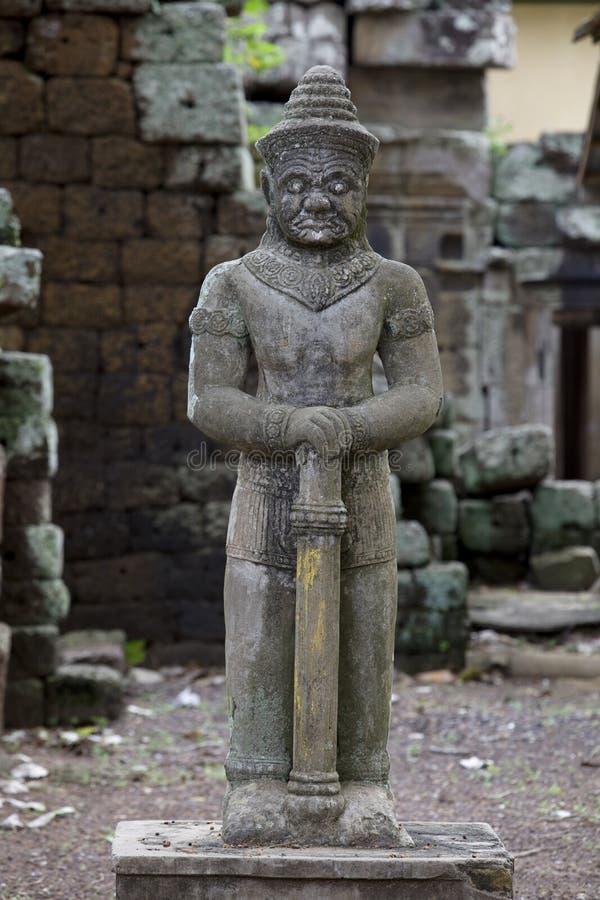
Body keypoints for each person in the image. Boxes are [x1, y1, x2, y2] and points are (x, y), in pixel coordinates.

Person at [188, 65, 443, 845]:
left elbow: (422, 392)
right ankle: (257, 776)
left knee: (364, 627)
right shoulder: (234, 283)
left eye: (337, 183)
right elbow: (209, 400)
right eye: (296, 184)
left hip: (361, 485)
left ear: (363, 190)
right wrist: (295, 426)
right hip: (267, 486)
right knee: (261, 620)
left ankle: (366, 781)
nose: (317, 200)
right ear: (269, 189)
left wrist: (350, 430)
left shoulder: (394, 284)